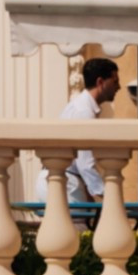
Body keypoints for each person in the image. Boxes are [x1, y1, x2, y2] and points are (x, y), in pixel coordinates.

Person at [49, 57, 119, 205]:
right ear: (100, 82)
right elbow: (85, 163)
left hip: (65, 181)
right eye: (114, 81)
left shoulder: (81, 106)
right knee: (78, 228)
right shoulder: (84, 112)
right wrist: (107, 195)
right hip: (67, 184)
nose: (118, 87)